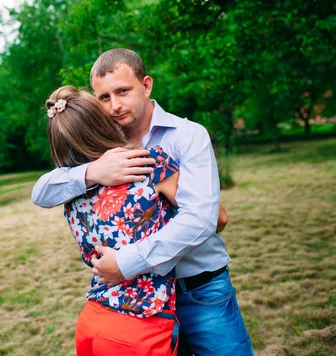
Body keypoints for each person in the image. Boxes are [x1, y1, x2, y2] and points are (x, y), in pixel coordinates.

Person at [33, 49, 253, 356]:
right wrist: (93, 172)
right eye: (104, 97)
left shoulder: (187, 136)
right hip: (137, 306)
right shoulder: (98, 150)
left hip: (199, 288)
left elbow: (209, 219)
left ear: (146, 85)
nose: (115, 105)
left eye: (123, 91)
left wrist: (125, 263)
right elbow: (41, 192)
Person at [46, 85, 181, 356]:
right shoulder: (147, 162)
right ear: (101, 123)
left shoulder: (72, 188)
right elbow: (215, 217)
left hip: (92, 320)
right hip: (141, 323)